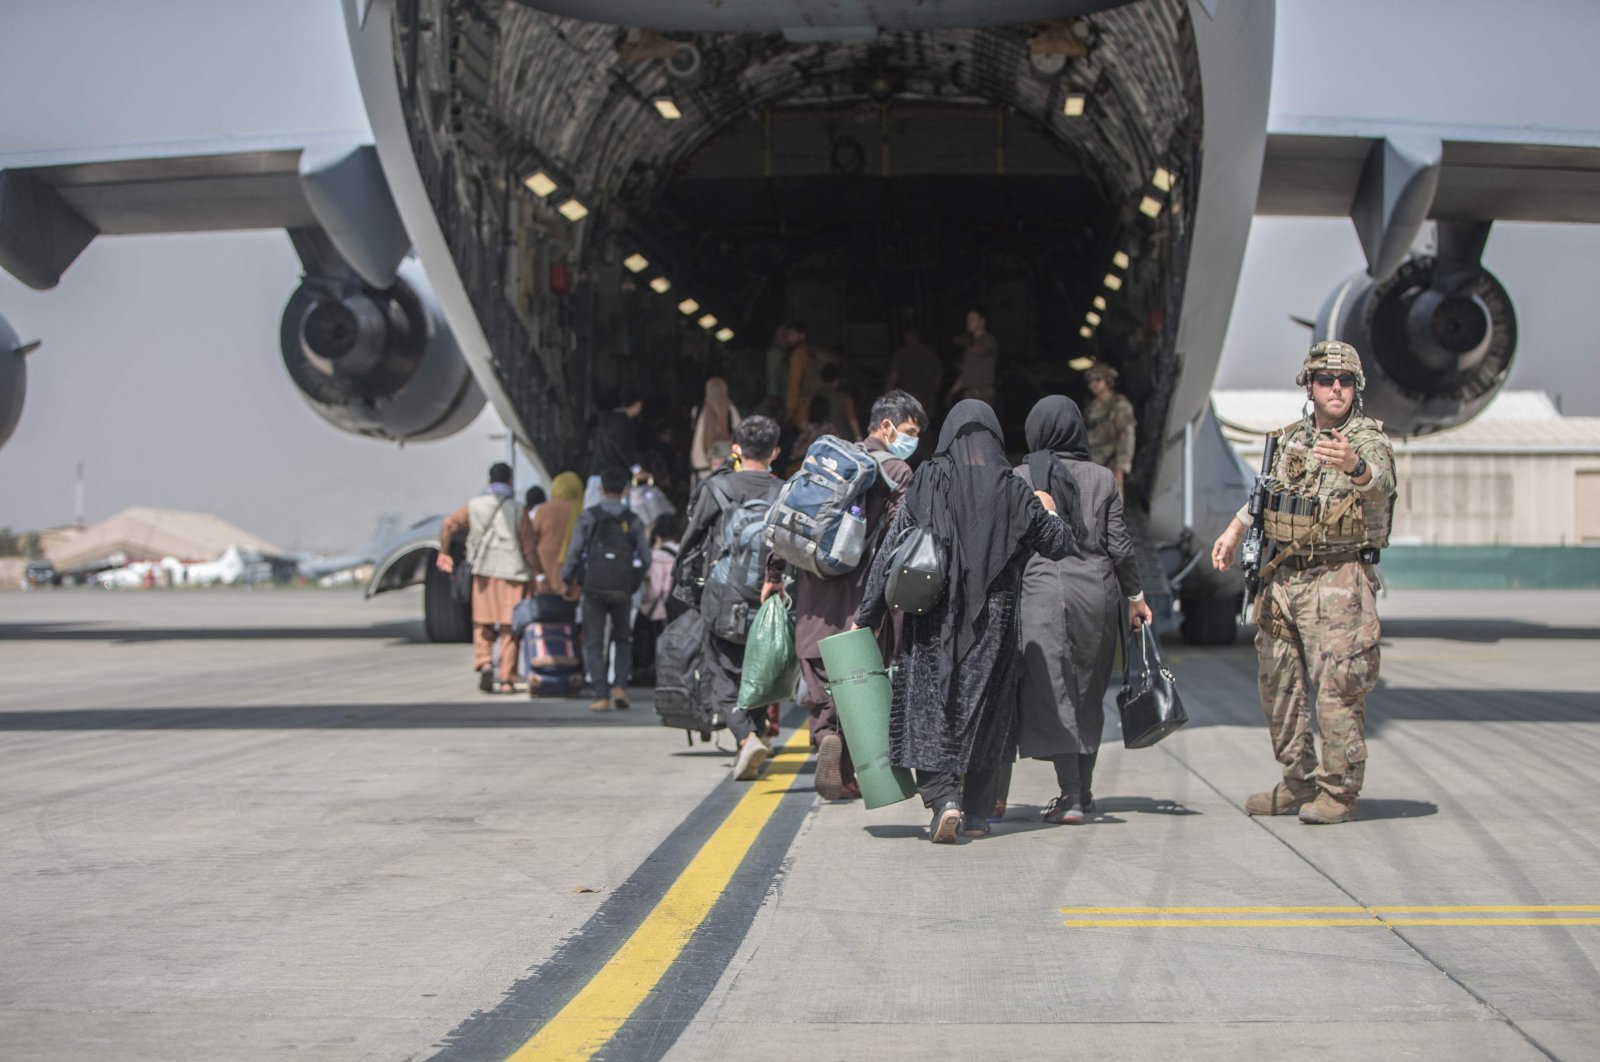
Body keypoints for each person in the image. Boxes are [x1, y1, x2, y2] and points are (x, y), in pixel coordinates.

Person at [855, 400, 1072, 843]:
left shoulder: (928, 481)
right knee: (987, 716)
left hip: (932, 619)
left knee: (929, 711)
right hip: (994, 624)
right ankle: (975, 812)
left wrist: (869, 614)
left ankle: (942, 799)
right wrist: (1047, 509)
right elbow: (1059, 544)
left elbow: (893, 550)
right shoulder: (1013, 490)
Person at [1210, 340, 1397, 825]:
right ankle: (1298, 781)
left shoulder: (1365, 440)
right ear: (1308, 386)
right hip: (1283, 581)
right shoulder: (1291, 437)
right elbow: (1267, 496)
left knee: (1338, 688)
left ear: (1357, 389)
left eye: (1346, 382)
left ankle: (1338, 793)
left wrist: (1354, 466)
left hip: (1338, 579)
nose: (1336, 389)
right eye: (1326, 380)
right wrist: (1234, 532)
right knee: (1280, 686)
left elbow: (1380, 481)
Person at [1012, 395, 1152, 825]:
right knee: (1088, 692)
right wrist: (1135, 596)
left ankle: (1070, 795)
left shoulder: (1020, 476)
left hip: (1041, 595)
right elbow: (1120, 546)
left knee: (1053, 693)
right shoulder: (1103, 478)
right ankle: (1084, 792)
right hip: (1098, 595)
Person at [793, 389, 925, 800]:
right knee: (857, 672)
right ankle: (847, 766)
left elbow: (792, 514)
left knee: (817, 661)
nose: (912, 438)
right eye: (909, 430)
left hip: (813, 584)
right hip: (860, 589)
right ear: (885, 426)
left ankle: (824, 735)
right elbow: (902, 536)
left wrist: (773, 573)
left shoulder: (828, 457)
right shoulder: (899, 472)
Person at [679, 415, 786, 780]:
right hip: (770, 595)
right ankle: (754, 733)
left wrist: (686, 587)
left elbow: (691, 542)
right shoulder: (785, 491)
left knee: (721, 669)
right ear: (775, 452)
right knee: (759, 667)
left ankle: (745, 736)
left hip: (724, 595)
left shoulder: (717, 489)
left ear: (736, 449)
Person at [437, 462, 539, 694]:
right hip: (513, 573)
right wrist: (537, 572)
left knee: (482, 622)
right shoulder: (517, 508)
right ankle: (506, 677)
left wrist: (443, 553)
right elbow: (528, 545)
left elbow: (448, 524)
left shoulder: (474, 506)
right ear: (511, 481)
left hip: (483, 573)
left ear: (489, 481)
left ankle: (484, 662)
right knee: (509, 628)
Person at [563, 469, 652, 712]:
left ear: (601, 490)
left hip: (593, 587)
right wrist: (633, 581)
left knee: (594, 641)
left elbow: (574, 552)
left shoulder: (588, 517)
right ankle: (621, 686)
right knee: (622, 638)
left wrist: (567, 578)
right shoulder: (633, 520)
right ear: (625, 491)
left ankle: (600, 694)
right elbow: (645, 557)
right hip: (622, 589)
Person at [527, 471, 584, 599]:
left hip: (545, 568)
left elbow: (531, 539)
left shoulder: (543, 510)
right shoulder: (582, 512)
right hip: (573, 571)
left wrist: (538, 574)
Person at [585, 386, 645, 506]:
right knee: (619, 516)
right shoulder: (623, 424)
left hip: (596, 477)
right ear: (638, 404)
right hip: (614, 482)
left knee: (593, 516)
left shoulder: (604, 421)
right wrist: (637, 470)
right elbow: (623, 448)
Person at [1083, 361, 1136, 492]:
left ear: (1107, 380)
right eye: (1090, 380)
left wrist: (1120, 467)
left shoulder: (1118, 404)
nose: (1093, 383)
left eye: (1098, 379)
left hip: (1109, 463)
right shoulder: (1091, 407)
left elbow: (1127, 435)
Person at [690, 376, 743, 483]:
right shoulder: (730, 410)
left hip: (702, 464)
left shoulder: (698, 410)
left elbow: (694, 433)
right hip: (728, 465)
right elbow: (740, 433)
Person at [885, 326, 943, 419]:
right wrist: (934, 393)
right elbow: (938, 377)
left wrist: (887, 394)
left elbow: (893, 376)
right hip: (927, 397)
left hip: (910, 396)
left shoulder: (902, 354)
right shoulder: (930, 354)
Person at [947, 306, 998, 408]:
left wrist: (965, 340)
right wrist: (951, 392)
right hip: (969, 395)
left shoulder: (988, 340)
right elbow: (966, 373)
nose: (969, 322)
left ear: (982, 321)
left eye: (973, 318)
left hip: (983, 395)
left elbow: (981, 350)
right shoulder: (970, 346)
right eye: (968, 319)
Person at [814, 361, 862, 440]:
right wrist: (859, 437)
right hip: (841, 438)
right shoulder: (844, 398)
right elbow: (851, 418)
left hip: (819, 438)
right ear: (837, 379)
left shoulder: (815, 395)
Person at [783, 322, 815, 428]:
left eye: (791, 335)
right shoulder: (809, 352)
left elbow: (794, 383)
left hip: (801, 406)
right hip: (812, 402)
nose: (788, 338)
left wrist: (790, 410)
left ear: (802, 336)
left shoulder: (796, 355)